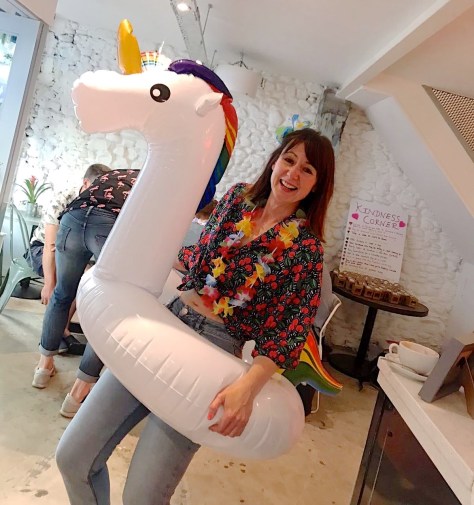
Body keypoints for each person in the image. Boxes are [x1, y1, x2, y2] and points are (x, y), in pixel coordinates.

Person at [56, 128, 335, 505]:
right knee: (73, 458)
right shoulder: (236, 199)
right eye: (289, 160)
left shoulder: (306, 249)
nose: (293, 173)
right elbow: (200, 257)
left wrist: (246, 390)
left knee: (142, 498)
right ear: (275, 161)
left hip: (214, 355)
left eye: (308, 170)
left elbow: (289, 331)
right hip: (169, 323)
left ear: (317, 185)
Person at [32, 169, 140, 398]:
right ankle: (79, 391)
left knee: (62, 294)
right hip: (108, 223)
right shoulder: (160, 183)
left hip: (74, 217)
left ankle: (43, 368)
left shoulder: (119, 174)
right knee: (111, 307)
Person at [27, 163, 111, 354]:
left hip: (70, 253)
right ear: (85, 183)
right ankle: (54, 336)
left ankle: (61, 328)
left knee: (85, 280)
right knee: (65, 284)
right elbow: (50, 246)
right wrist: (48, 284)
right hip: (41, 248)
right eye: (96, 188)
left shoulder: (100, 202)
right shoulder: (63, 199)